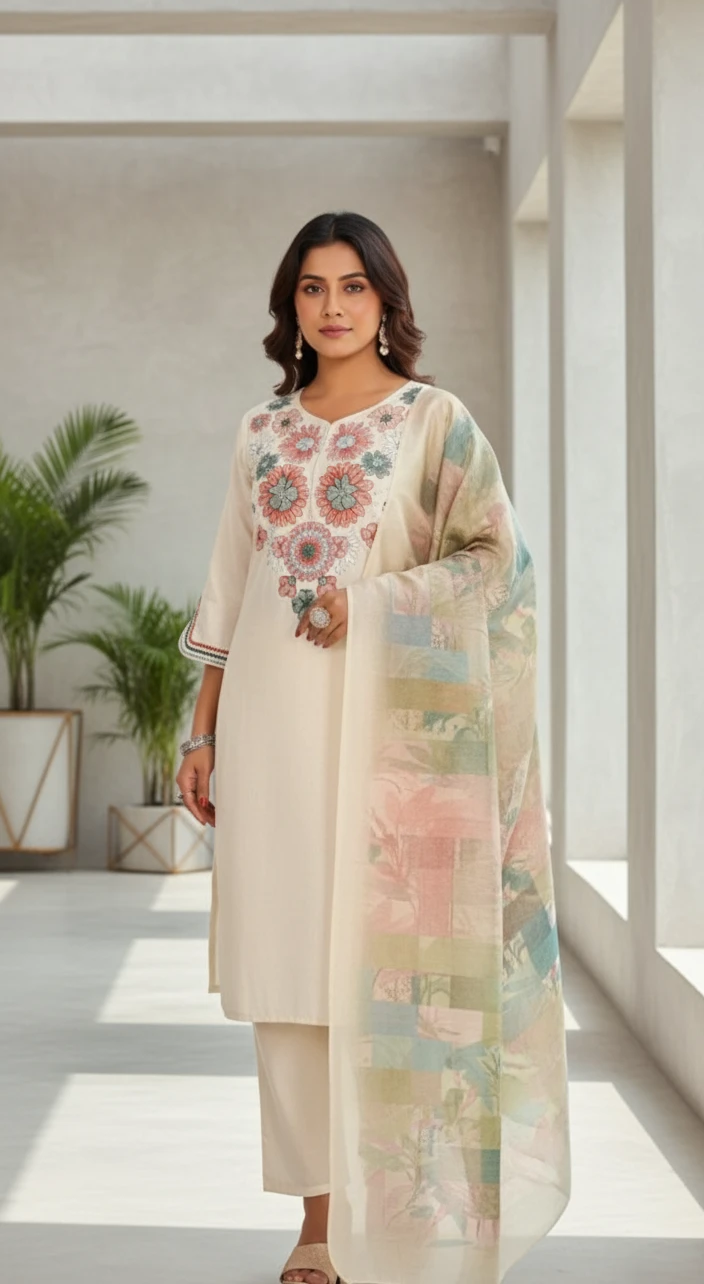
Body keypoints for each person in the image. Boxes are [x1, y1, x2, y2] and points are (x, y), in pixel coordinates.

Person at [176, 211, 571, 1284]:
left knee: (387, 974)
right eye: (312, 287)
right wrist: (202, 729)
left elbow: (496, 561)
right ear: (290, 306)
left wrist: (375, 600)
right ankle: (318, 1224)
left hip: (393, 742)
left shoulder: (433, 422)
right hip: (270, 728)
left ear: (386, 299)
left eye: (353, 285)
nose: (333, 306)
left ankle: (392, 1222)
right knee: (289, 973)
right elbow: (228, 588)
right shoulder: (261, 432)